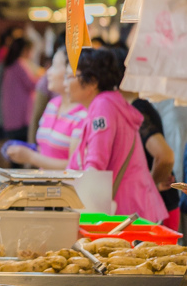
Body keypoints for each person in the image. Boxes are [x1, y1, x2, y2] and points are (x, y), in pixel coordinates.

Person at [66, 48, 168, 224]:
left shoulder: (102, 107)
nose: (65, 83)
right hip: (132, 208)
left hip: (126, 213)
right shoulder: (108, 103)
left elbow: (96, 165)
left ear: (92, 83)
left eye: (70, 77)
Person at [6, 47, 86, 169]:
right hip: (45, 185)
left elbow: (74, 167)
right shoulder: (53, 104)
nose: (48, 72)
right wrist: (23, 150)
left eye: (54, 66)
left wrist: (31, 157)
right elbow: (46, 150)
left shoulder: (83, 114)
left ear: (71, 72)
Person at [0, 38, 40, 143]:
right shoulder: (20, 64)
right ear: (25, 50)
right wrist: (42, 75)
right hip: (21, 118)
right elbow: (33, 84)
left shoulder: (10, 65)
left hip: (11, 117)